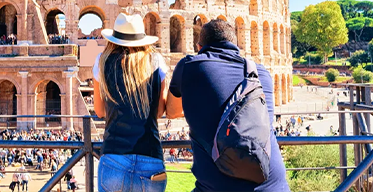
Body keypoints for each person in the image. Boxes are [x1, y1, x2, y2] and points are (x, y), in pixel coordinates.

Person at [166, 19, 289, 191]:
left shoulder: (189, 66)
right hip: (273, 185)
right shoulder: (261, 72)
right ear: (235, 45)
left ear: (199, 46)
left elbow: (172, 111)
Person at [93, 13, 168, 192]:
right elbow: (159, 111)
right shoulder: (157, 61)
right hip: (150, 157)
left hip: (114, 156)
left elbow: (99, 110)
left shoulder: (102, 61)